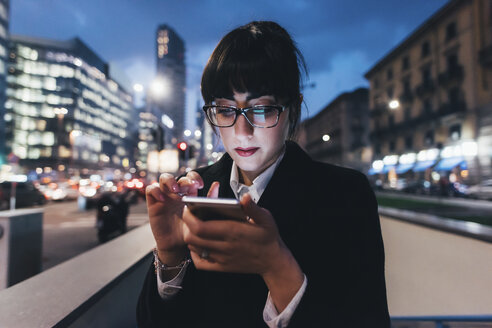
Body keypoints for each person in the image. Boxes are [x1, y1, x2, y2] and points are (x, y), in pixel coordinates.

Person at [137, 21, 390, 327]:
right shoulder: (195, 192)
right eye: (226, 110)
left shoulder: (345, 196)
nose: (242, 132)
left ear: (292, 108)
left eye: (261, 109)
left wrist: (278, 267)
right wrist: (169, 254)